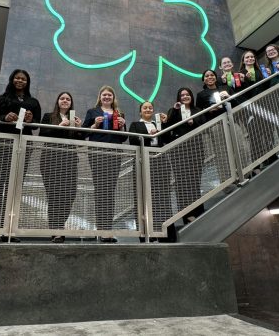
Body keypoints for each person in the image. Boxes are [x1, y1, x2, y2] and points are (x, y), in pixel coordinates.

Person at [0, 69, 41, 242]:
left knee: (14, 189)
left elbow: (36, 125)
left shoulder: (33, 101)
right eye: (17, 78)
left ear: (27, 82)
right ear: (12, 80)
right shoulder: (2, 98)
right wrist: (5, 117)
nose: (20, 81)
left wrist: (30, 120)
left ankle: (9, 230)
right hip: (2, 145)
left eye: (23, 79)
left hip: (23, 146)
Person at [82, 86, 127, 243]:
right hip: (97, 154)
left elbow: (123, 139)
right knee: (100, 189)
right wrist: (94, 125)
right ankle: (101, 229)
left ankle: (107, 230)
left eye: (109, 95)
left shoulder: (119, 114)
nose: (107, 97)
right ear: (99, 97)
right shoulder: (92, 112)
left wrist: (122, 125)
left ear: (113, 98)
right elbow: (83, 132)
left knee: (110, 191)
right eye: (104, 95)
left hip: (114, 154)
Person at [39, 92, 84, 243]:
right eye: (62, 98)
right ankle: (57, 230)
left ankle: (58, 225)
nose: (65, 101)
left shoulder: (73, 118)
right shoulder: (48, 116)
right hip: (50, 161)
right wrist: (59, 126)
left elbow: (80, 140)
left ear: (71, 103)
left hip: (70, 161)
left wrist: (79, 128)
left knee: (70, 194)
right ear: (57, 101)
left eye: (68, 99)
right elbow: (42, 134)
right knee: (54, 197)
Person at [128, 101, 174, 242]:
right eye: (145, 108)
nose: (148, 109)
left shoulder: (158, 123)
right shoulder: (135, 124)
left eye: (150, 108)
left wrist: (165, 124)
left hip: (160, 163)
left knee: (163, 197)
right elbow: (133, 140)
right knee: (145, 197)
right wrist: (149, 135)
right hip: (143, 162)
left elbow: (167, 139)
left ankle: (166, 234)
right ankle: (147, 234)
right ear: (140, 111)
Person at [164, 88, 206, 230]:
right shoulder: (173, 110)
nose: (185, 96)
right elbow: (168, 127)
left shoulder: (197, 110)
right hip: (179, 151)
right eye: (182, 95)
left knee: (195, 182)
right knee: (182, 183)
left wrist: (192, 123)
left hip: (196, 150)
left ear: (191, 96)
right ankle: (187, 215)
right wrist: (175, 111)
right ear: (178, 98)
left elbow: (204, 126)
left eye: (187, 94)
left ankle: (199, 213)